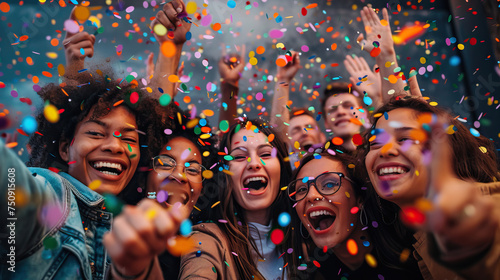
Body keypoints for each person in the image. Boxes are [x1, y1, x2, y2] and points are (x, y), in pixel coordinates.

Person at [0, 76, 185, 280]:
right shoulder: (49, 195)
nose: (115, 146)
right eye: (96, 133)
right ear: (64, 149)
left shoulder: (130, 226)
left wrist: (138, 269)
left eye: (129, 138)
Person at [359, 94, 500, 279]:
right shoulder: (420, 238)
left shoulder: (488, 207)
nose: (385, 151)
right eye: (375, 144)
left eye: (405, 139)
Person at [178, 118, 295, 279]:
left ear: (282, 169)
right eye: (239, 157)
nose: (253, 164)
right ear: (226, 176)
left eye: (266, 154)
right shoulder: (207, 239)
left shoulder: (305, 238)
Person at [285, 151, 422, 280]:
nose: (311, 195)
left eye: (329, 184)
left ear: (359, 199)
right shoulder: (313, 274)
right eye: (302, 189)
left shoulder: (416, 257)